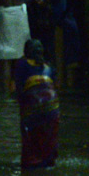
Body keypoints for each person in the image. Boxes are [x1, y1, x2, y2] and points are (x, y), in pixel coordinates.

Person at [13, 39, 59, 169]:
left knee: (30, 144)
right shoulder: (49, 66)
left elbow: (19, 89)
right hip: (52, 109)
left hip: (33, 107)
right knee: (48, 141)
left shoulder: (21, 64)